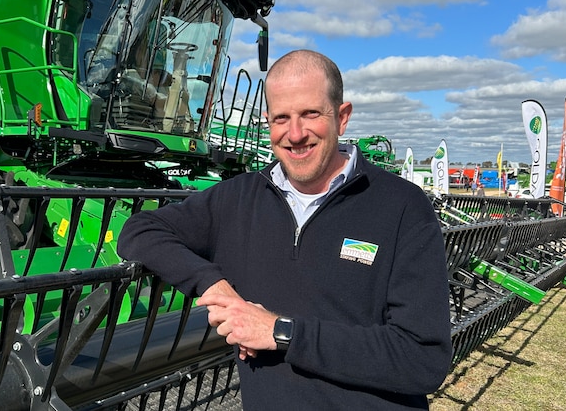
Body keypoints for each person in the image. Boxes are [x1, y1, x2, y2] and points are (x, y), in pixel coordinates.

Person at [118, 49, 452, 409]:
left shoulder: (401, 205)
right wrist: (217, 287)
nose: (295, 134)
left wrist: (280, 332)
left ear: (342, 117)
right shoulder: (239, 199)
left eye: (311, 114)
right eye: (281, 118)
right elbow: (139, 230)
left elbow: (423, 360)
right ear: (268, 121)